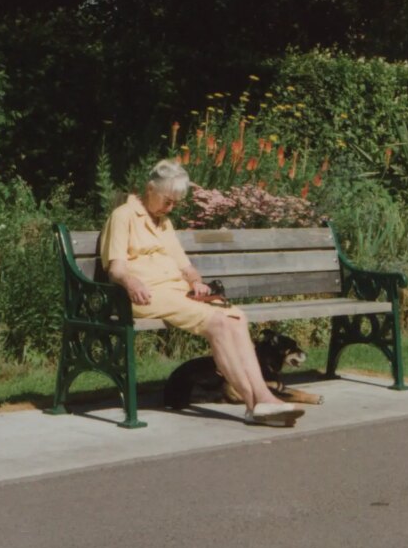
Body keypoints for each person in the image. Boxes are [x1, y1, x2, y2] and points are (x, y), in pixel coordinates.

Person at [100, 159, 304, 428]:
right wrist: (130, 281)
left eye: (175, 203)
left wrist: (196, 281)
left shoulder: (164, 222)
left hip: (177, 291)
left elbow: (185, 266)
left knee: (236, 317)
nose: (170, 207)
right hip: (148, 295)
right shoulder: (123, 216)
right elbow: (115, 268)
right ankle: (255, 403)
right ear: (150, 188)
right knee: (218, 324)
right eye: (167, 200)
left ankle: (262, 399)